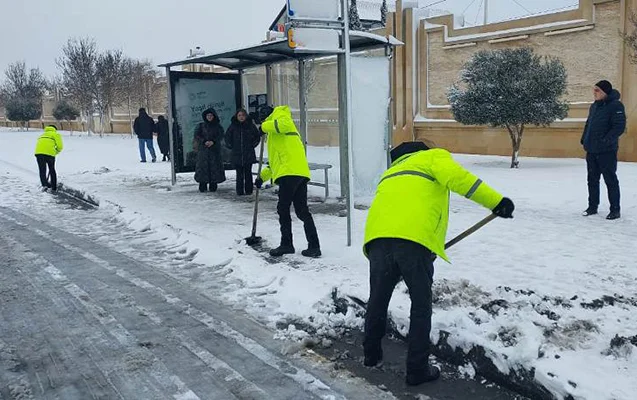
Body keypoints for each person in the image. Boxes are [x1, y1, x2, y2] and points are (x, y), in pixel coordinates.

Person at [362, 141, 515, 386]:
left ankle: (370, 355)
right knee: (421, 306)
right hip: (414, 242)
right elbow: (462, 180)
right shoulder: (432, 158)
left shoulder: (390, 173)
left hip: (378, 241)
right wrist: (497, 202)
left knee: (378, 299)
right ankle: (417, 369)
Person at [254, 105, 321, 258]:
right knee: (302, 211)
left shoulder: (281, 115)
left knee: (283, 209)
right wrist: (261, 178)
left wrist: (263, 127)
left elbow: (283, 125)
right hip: (298, 172)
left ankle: (287, 244)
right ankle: (314, 246)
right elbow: (274, 162)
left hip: (289, 173)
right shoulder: (275, 134)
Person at [580, 80, 626, 220]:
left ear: (605, 92)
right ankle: (592, 207)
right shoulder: (594, 106)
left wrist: (606, 141)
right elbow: (589, 124)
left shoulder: (615, 106)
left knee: (610, 180)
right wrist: (584, 138)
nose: (594, 92)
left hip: (607, 151)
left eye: (597, 90)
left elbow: (619, 127)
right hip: (592, 149)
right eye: (594, 90)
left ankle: (615, 210)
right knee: (592, 180)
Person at [225, 108, 261, 196]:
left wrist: (252, 145)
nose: (241, 117)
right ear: (236, 117)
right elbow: (227, 137)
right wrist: (230, 145)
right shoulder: (233, 126)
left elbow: (257, 136)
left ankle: (249, 190)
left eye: (243, 115)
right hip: (237, 153)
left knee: (248, 173)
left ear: (246, 116)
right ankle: (239, 191)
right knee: (239, 174)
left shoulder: (250, 126)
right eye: (239, 115)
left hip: (248, 153)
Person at [194, 108, 226, 193]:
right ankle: (202, 184)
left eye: (211, 115)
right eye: (208, 115)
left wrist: (213, 142)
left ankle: (213, 184)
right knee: (202, 168)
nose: (209, 117)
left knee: (214, 168)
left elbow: (221, 135)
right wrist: (204, 141)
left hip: (214, 151)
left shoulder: (218, 126)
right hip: (203, 151)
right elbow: (197, 135)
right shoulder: (201, 126)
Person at [34, 125, 64, 191]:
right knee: (52, 169)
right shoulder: (56, 134)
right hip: (49, 154)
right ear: (55, 129)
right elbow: (60, 146)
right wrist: (55, 152)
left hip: (39, 153)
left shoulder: (42, 135)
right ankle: (54, 187)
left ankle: (44, 185)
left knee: (42, 170)